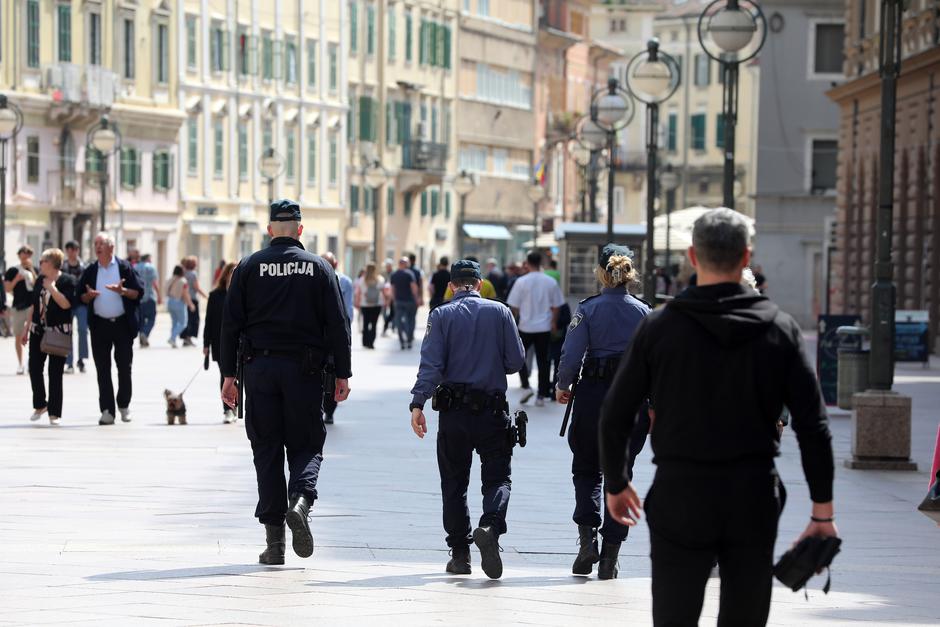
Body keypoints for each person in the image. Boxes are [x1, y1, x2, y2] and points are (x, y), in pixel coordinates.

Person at [599, 209, 838, 626]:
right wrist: (822, 512)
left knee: (674, 613)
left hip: (680, 491)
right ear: (746, 257)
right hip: (752, 492)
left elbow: (615, 414)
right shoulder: (779, 328)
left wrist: (617, 483)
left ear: (693, 256)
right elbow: (814, 427)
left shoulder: (659, 327)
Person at [220, 199, 351, 566]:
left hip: (259, 370)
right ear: (300, 230)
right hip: (305, 371)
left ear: (269, 230)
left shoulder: (248, 267)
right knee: (307, 444)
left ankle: (275, 543)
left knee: (266, 450)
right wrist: (343, 373)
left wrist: (229, 376)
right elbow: (337, 325)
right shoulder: (319, 268)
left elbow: (229, 326)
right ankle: (301, 501)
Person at [409, 259, 526, 579]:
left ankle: (460, 555)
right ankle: (489, 526)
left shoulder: (440, 315)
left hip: (454, 414)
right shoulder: (500, 312)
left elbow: (430, 365)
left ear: (450, 285)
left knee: (454, 484)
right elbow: (516, 361)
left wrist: (418, 403)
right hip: (492, 411)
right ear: (479, 283)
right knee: (498, 478)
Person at [555, 245, 651, 580]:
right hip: (631, 398)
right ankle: (611, 556)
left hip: (594, 396)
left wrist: (563, 384)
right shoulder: (644, 312)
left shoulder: (588, 309)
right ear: (630, 273)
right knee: (620, 475)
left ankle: (586, 540)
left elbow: (571, 354)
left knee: (585, 468)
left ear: (601, 273)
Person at [79, 233, 143, 426]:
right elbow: (80, 296)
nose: (97, 247)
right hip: (100, 325)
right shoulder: (90, 270)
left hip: (122, 325)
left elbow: (139, 292)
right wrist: (88, 296)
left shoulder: (124, 268)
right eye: (95, 243)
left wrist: (122, 291)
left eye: (101, 244)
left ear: (111, 247)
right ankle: (107, 410)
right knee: (102, 369)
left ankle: (123, 405)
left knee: (124, 367)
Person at [23, 248, 74, 425]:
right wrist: (26, 327)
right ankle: (40, 404)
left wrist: (51, 288)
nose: (40, 264)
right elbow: (33, 305)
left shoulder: (67, 280)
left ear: (52, 263)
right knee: (34, 368)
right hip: (38, 330)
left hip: (58, 331)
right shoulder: (39, 280)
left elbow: (66, 304)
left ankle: (54, 412)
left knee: (55, 372)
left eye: (43, 261)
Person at [506, 251, 564, 406]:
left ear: (527, 263)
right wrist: (553, 322)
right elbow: (557, 305)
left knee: (520, 358)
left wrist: (512, 324)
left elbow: (514, 307)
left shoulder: (521, 282)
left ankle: (526, 386)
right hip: (544, 327)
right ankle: (541, 395)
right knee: (544, 361)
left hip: (525, 326)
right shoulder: (550, 281)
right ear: (541, 263)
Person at [204, 262, 238, 424]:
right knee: (225, 375)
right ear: (225, 275)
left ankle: (235, 404)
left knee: (239, 377)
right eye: (232, 273)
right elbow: (209, 321)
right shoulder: (215, 295)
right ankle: (228, 409)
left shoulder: (243, 293)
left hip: (241, 343)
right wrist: (205, 344)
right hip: (219, 342)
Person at [4, 245, 37, 375]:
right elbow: (7, 289)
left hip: (32, 306)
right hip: (18, 306)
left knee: (34, 336)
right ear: (19, 255)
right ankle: (20, 363)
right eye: (23, 253)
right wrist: (17, 279)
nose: (26, 256)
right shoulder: (12, 270)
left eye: (28, 253)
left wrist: (31, 270)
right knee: (18, 335)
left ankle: (31, 362)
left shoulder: (35, 269)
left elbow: (38, 285)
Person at [62, 241, 89, 374]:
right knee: (67, 332)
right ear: (67, 251)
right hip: (66, 304)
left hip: (81, 303)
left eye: (74, 249)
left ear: (78, 250)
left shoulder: (85, 267)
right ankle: (69, 362)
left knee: (83, 330)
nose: (72, 252)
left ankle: (81, 360)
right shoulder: (62, 266)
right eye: (70, 250)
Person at [388, 257, 419, 349]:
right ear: (406, 264)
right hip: (409, 301)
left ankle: (402, 341)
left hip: (398, 301)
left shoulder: (394, 274)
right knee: (411, 320)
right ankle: (409, 340)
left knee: (398, 321)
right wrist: (416, 298)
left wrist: (393, 299)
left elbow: (392, 289)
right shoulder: (410, 274)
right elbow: (413, 287)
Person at [354, 262, 385, 349]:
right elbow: (383, 292)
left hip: (365, 304)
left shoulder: (362, 280)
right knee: (374, 324)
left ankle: (365, 342)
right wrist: (386, 301)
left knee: (365, 323)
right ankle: (371, 343)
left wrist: (357, 302)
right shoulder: (380, 279)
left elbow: (358, 293)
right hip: (377, 304)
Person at [179, 256, 207, 347]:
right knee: (194, 320)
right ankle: (188, 337)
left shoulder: (183, 273)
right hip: (192, 299)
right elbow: (196, 287)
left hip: (183, 299)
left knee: (186, 319)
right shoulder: (193, 274)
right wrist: (205, 296)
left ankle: (185, 338)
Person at [166, 266, 195, 348]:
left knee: (174, 322)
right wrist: (191, 304)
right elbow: (185, 294)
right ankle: (172, 338)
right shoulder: (183, 281)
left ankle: (173, 340)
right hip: (179, 302)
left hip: (170, 301)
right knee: (183, 323)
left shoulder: (169, 279)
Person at [136, 253, 161, 348]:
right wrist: (159, 295)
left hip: (138, 298)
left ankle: (142, 335)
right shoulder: (151, 268)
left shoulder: (135, 267)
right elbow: (154, 282)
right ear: (147, 259)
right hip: (150, 297)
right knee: (152, 318)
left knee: (141, 320)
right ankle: (145, 334)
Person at [322, 252, 354, 322]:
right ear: (336, 264)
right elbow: (348, 308)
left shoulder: (345, 282)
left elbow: (348, 307)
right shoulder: (346, 281)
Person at [382, 258, 396, 336]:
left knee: (393, 312)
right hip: (384, 295)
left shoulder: (394, 273)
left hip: (392, 295)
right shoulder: (383, 274)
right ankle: (386, 326)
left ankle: (393, 327)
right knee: (384, 312)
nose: (388, 267)